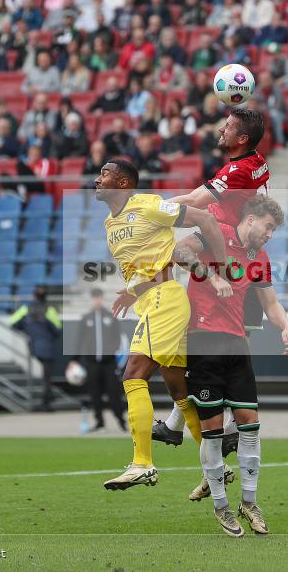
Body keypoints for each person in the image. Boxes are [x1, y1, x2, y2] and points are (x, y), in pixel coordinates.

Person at [95, 159, 228, 491]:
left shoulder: (150, 205)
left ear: (123, 183)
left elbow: (204, 219)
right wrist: (131, 291)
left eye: (105, 175)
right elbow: (149, 261)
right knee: (178, 390)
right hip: (150, 300)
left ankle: (142, 463)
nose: (97, 180)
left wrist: (222, 270)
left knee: (133, 373)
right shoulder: (109, 222)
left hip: (164, 301)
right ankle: (216, 467)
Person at [173, 195, 288, 536]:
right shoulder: (217, 234)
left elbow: (270, 303)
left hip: (236, 343)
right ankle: (221, 506)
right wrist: (211, 278)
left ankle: (250, 502)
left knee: (250, 423)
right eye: (269, 227)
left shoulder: (260, 258)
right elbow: (180, 252)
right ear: (252, 218)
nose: (270, 234)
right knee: (212, 432)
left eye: (274, 230)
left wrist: (286, 327)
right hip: (202, 342)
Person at [152, 109, 271, 457]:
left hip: (229, 253)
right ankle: (179, 425)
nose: (222, 128)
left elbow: (191, 202)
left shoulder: (238, 171)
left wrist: (149, 211)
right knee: (218, 345)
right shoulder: (256, 160)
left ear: (242, 139)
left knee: (212, 346)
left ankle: (219, 428)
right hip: (238, 254)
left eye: (230, 126)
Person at [77, 288, 126, 431]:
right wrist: (76, 360)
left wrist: (111, 351)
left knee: (114, 393)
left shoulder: (110, 317)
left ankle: (121, 422)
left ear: (102, 298)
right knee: (94, 393)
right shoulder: (86, 318)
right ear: (91, 299)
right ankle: (99, 422)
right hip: (92, 363)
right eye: (94, 298)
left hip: (108, 363)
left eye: (98, 297)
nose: (96, 300)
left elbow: (117, 338)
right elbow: (81, 340)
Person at [10, 286, 63, 412]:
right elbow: (58, 329)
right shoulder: (50, 310)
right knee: (47, 378)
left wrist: (27, 329)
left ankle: (44, 401)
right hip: (48, 348)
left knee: (43, 378)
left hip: (32, 347)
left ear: (34, 296)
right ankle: (46, 403)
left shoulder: (25, 309)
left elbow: (13, 322)